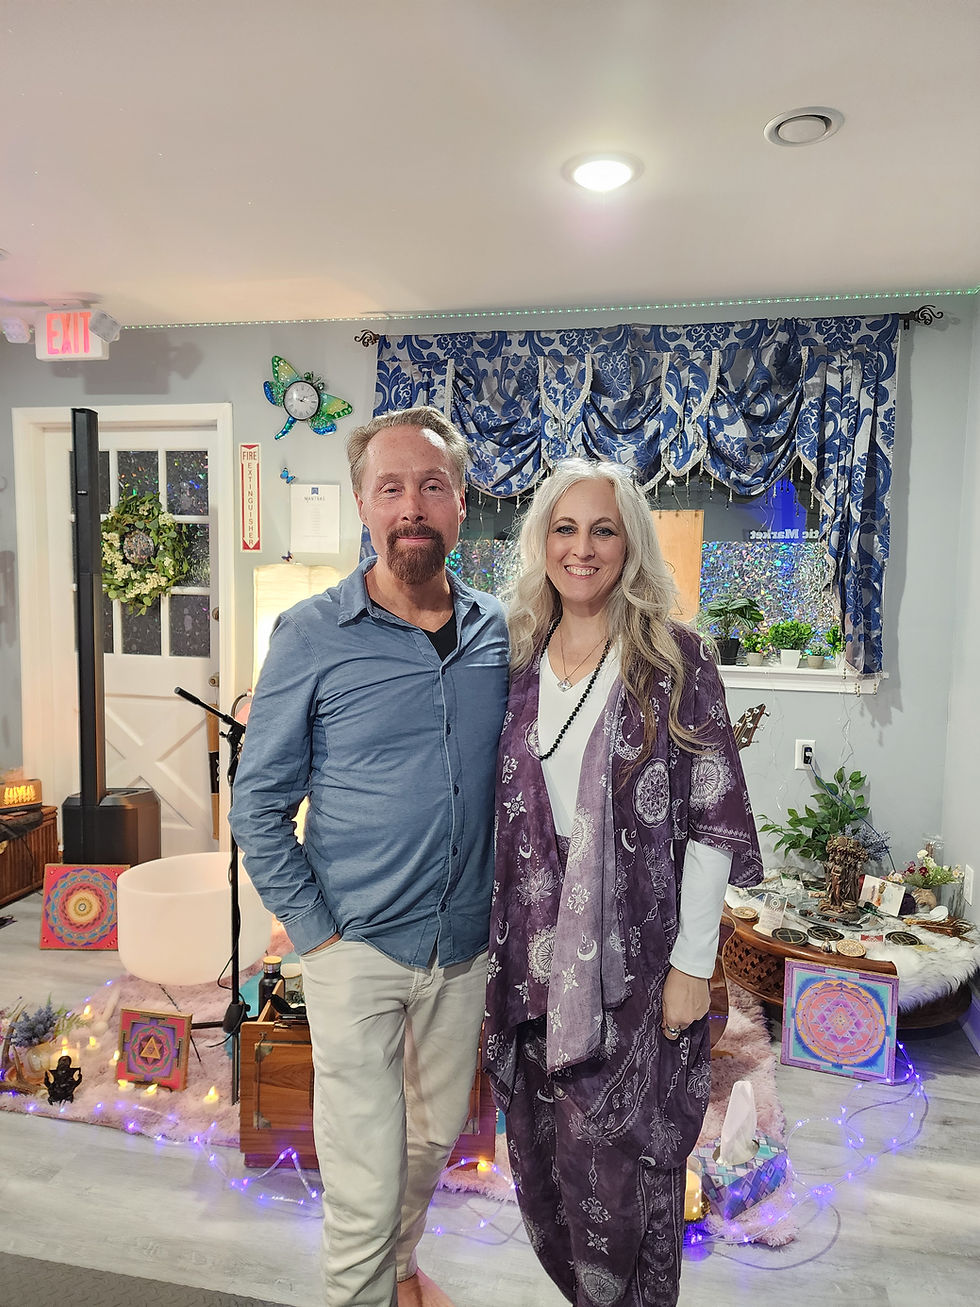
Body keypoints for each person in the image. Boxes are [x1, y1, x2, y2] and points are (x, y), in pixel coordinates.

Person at [229, 407, 509, 1307]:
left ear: (462, 504)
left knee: (430, 1146)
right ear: (362, 503)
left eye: (432, 486)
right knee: (360, 1180)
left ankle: (399, 1268)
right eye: (391, 487)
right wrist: (318, 937)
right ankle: (368, 1275)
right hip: (355, 949)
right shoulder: (311, 633)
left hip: (462, 947)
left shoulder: (501, 632)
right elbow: (259, 802)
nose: (412, 506)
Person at [483, 458, 762, 1307]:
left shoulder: (676, 660)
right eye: (565, 528)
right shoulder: (516, 658)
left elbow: (713, 821)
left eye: (603, 528)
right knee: (546, 1171)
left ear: (630, 542)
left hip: (639, 968)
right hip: (528, 965)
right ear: (541, 542)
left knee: (627, 1176)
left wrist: (691, 963)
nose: (583, 547)